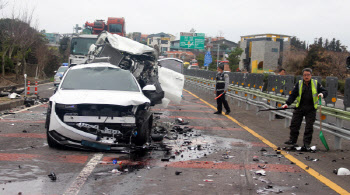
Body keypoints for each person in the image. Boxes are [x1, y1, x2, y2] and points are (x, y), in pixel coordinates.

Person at [282, 68, 328, 149]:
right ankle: (292, 140)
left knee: (309, 127)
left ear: (311, 75)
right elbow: (293, 95)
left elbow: (325, 91)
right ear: (302, 76)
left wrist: (321, 94)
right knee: (294, 125)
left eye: (308, 75)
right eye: (305, 75)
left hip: (311, 109)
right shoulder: (299, 84)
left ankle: (306, 143)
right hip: (299, 107)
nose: (306, 76)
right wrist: (287, 103)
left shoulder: (315, 83)